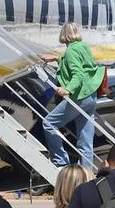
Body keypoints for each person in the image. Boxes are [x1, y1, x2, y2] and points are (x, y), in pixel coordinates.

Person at [42, 22, 105, 168]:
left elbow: (78, 74)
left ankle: (61, 161)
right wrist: (57, 59)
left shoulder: (70, 51)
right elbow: (83, 65)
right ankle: (87, 173)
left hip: (80, 96)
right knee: (85, 141)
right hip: (91, 96)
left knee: (48, 123)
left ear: (63, 34)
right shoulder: (83, 47)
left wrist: (68, 89)